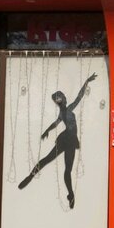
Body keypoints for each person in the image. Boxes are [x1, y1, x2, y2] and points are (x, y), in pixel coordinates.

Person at [18, 73, 98, 209]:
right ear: (60, 101)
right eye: (59, 99)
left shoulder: (66, 110)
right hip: (67, 139)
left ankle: (70, 194)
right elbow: (76, 100)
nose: (61, 99)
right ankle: (31, 176)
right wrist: (47, 130)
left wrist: (86, 82)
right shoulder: (65, 110)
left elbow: (77, 98)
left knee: (65, 169)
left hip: (69, 139)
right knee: (53, 162)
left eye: (61, 97)